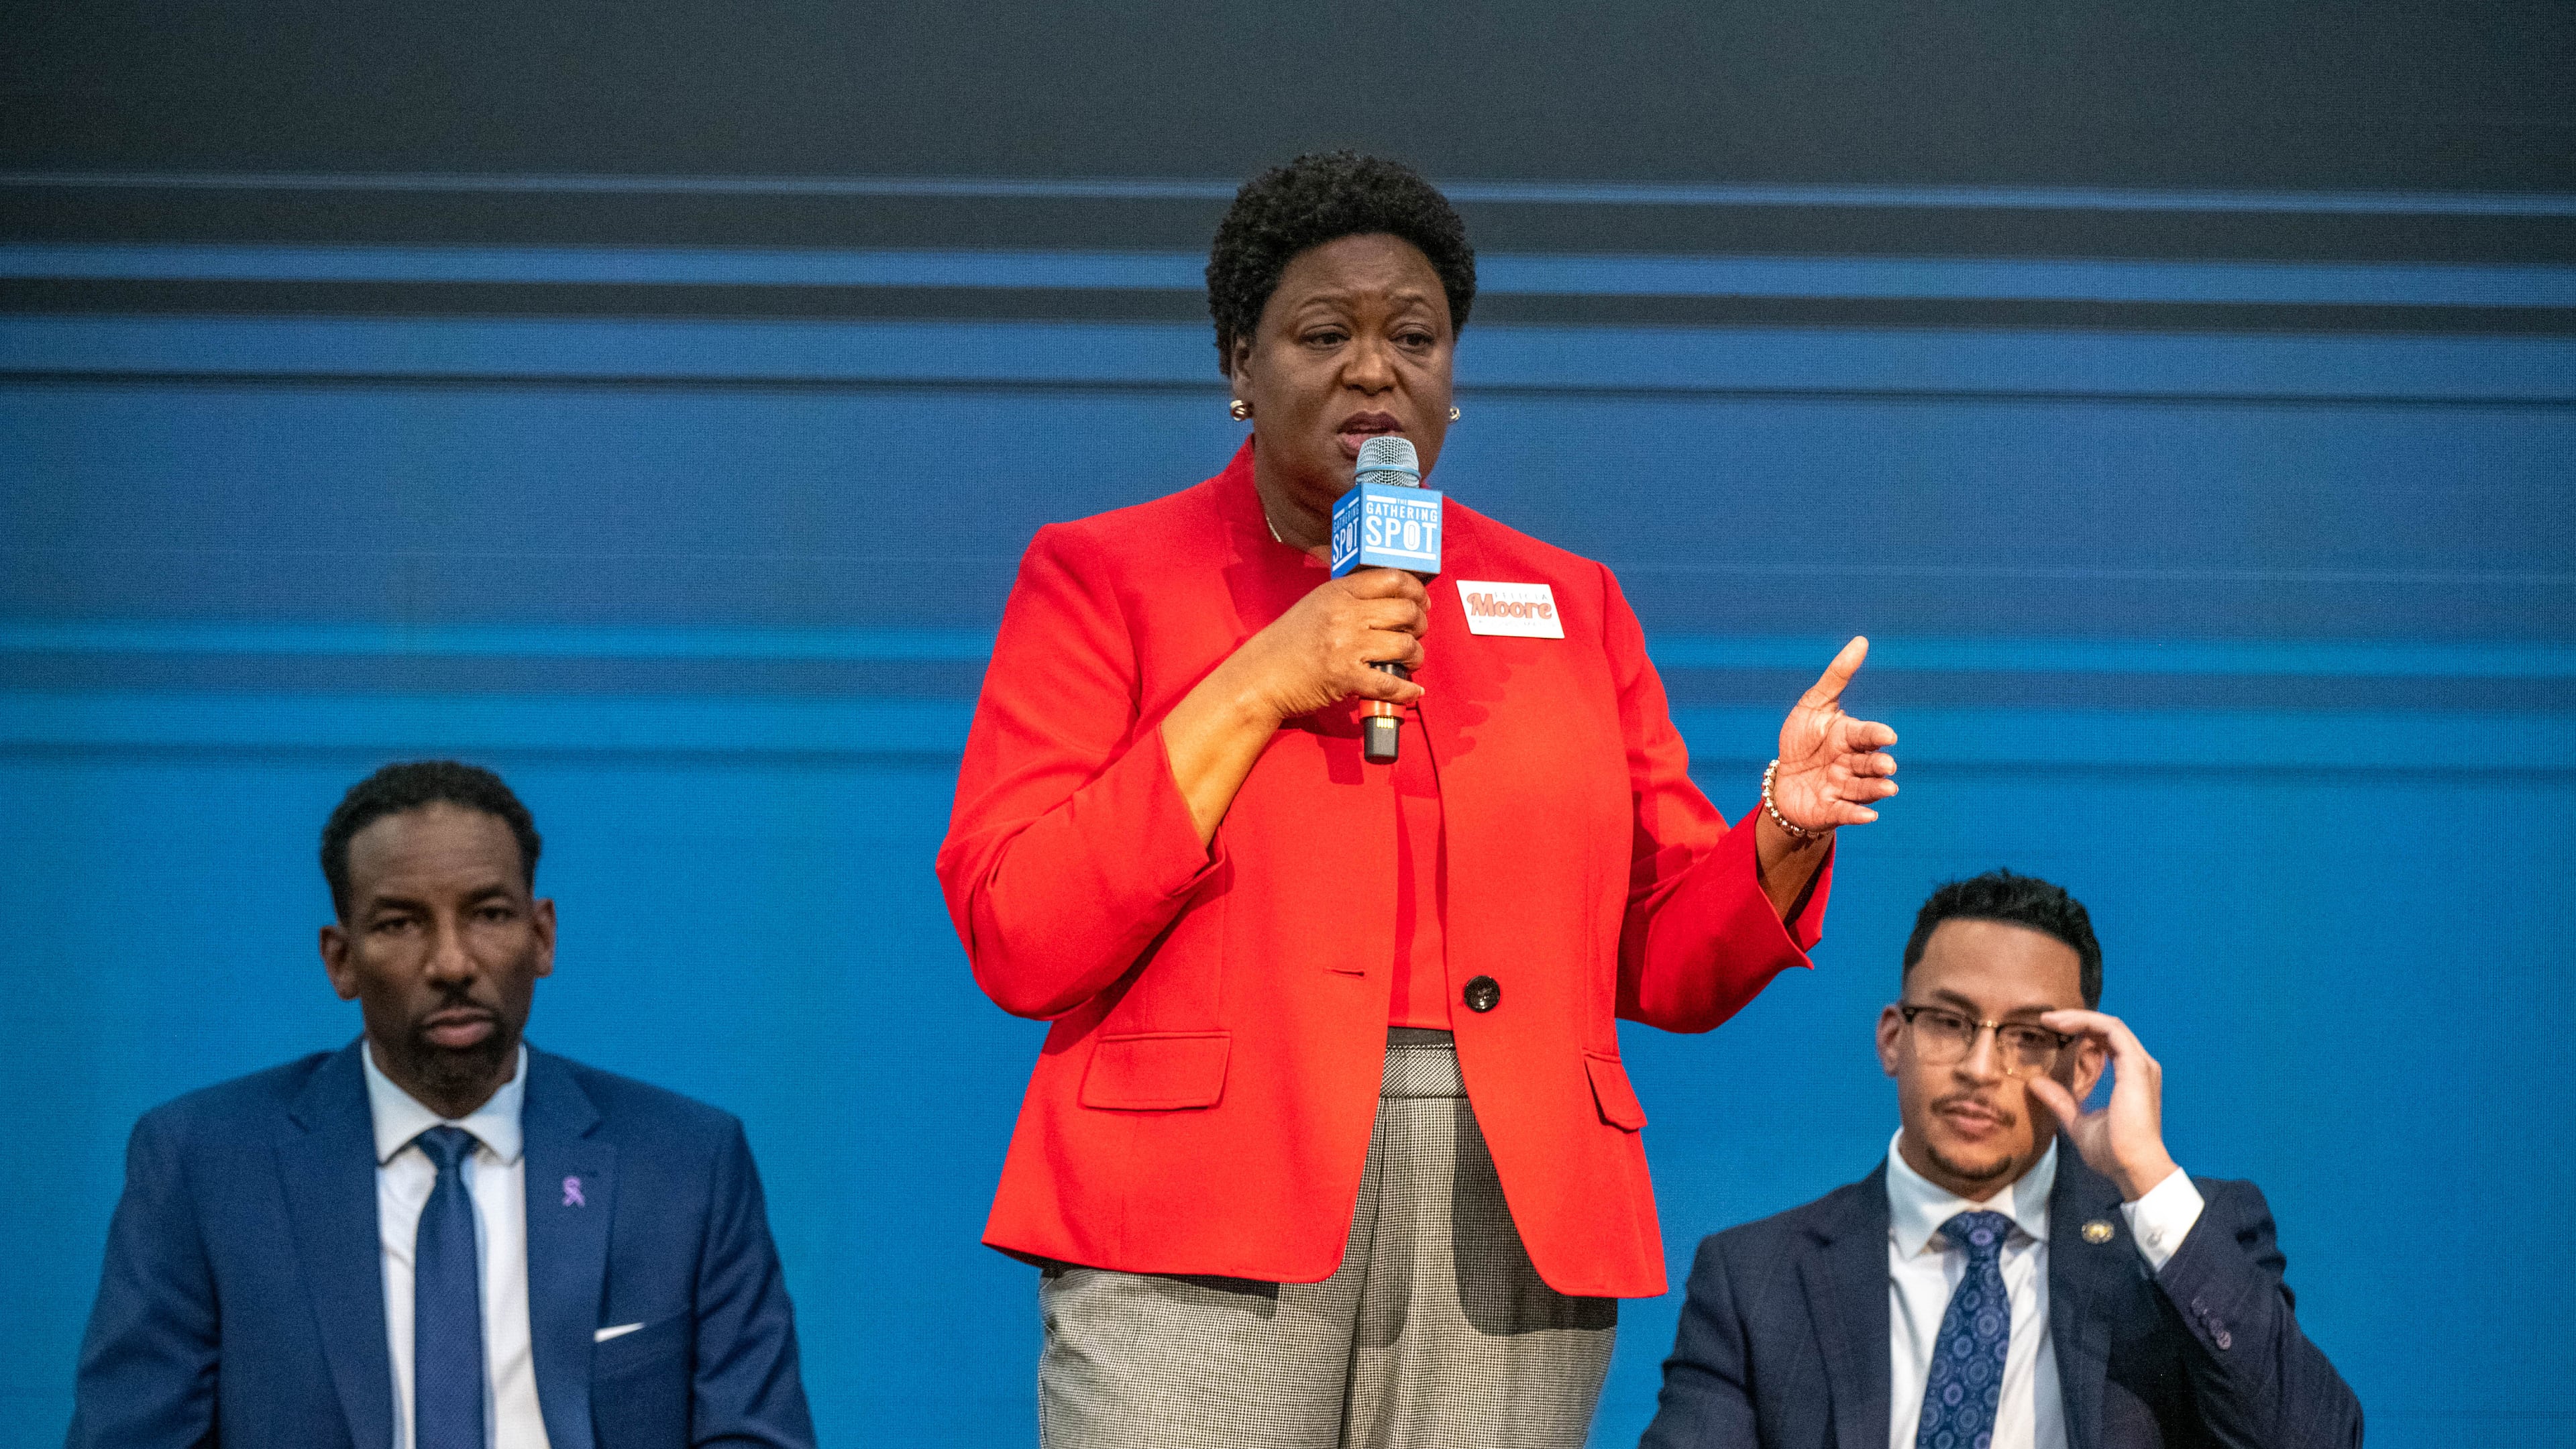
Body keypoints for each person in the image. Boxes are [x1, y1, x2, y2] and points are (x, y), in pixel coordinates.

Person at [934, 150, 1901, 1448]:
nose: (1374, 369)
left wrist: (1783, 821)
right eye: (1323, 333)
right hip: (1199, 1203)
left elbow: (1668, 962)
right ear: (1239, 365)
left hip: (1510, 1210)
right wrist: (1264, 679)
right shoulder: (1105, 576)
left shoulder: (1569, 603)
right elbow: (1021, 926)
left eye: (1416, 337)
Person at [68, 761, 816, 1449]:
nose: (452, 962)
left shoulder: (687, 1163)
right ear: (341, 959)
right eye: (400, 923)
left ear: (543, 936)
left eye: (489, 913)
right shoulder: (204, 1166)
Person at [1642, 869, 2362, 1448]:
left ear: (2083, 1069)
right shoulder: (1755, 1277)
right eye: (1950, 1024)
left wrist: (2145, 1177)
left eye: (2025, 1038)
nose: (1981, 1068)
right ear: (1893, 1039)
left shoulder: (2180, 1244)